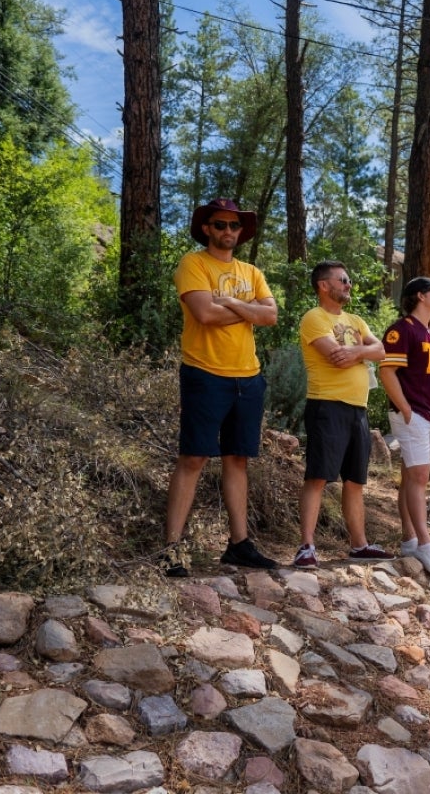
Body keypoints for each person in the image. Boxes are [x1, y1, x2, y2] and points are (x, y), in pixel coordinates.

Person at [161, 198, 279, 577]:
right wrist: (247, 309)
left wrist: (227, 300)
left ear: (240, 232)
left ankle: (239, 545)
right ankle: (172, 549)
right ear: (207, 228)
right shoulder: (193, 264)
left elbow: (272, 316)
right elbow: (203, 313)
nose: (228, 231)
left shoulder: (251, 271)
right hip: (204, 373)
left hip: (248, 376)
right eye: (220, 224)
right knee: (193, 458)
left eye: (234, 225)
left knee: (237, 459)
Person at [292, 262, 396, 568]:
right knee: (318, 476)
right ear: (324, 285)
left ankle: (359, 545)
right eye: (344, 280)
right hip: (327, 405)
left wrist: (355, 352)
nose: (349, 284)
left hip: (357, 410)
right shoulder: (314, 318)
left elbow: (381, 351)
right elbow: (334, 357)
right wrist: (359, 353)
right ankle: (306, 547)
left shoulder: (356, 320)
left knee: (354, 480)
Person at [378, 276, 430, 577]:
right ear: (420, 296)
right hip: (413, 414)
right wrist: (405, 408)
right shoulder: (402, 329)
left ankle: (409, 539)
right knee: (420, 476)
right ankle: (425, 543)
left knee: (412, 475)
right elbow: (387, 371)